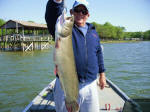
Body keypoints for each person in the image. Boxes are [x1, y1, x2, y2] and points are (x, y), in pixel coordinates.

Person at [45, 0, 106, 112]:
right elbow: (53, 14)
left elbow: (98, 54)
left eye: (83, 11)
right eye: (77, 10)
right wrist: (57, 2)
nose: (80, 14)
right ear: (72, 12)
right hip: (65, 84)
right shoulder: (66, 29)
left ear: (88, 15)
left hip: (90, 84)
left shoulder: (93, 32)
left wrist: (102, 75)